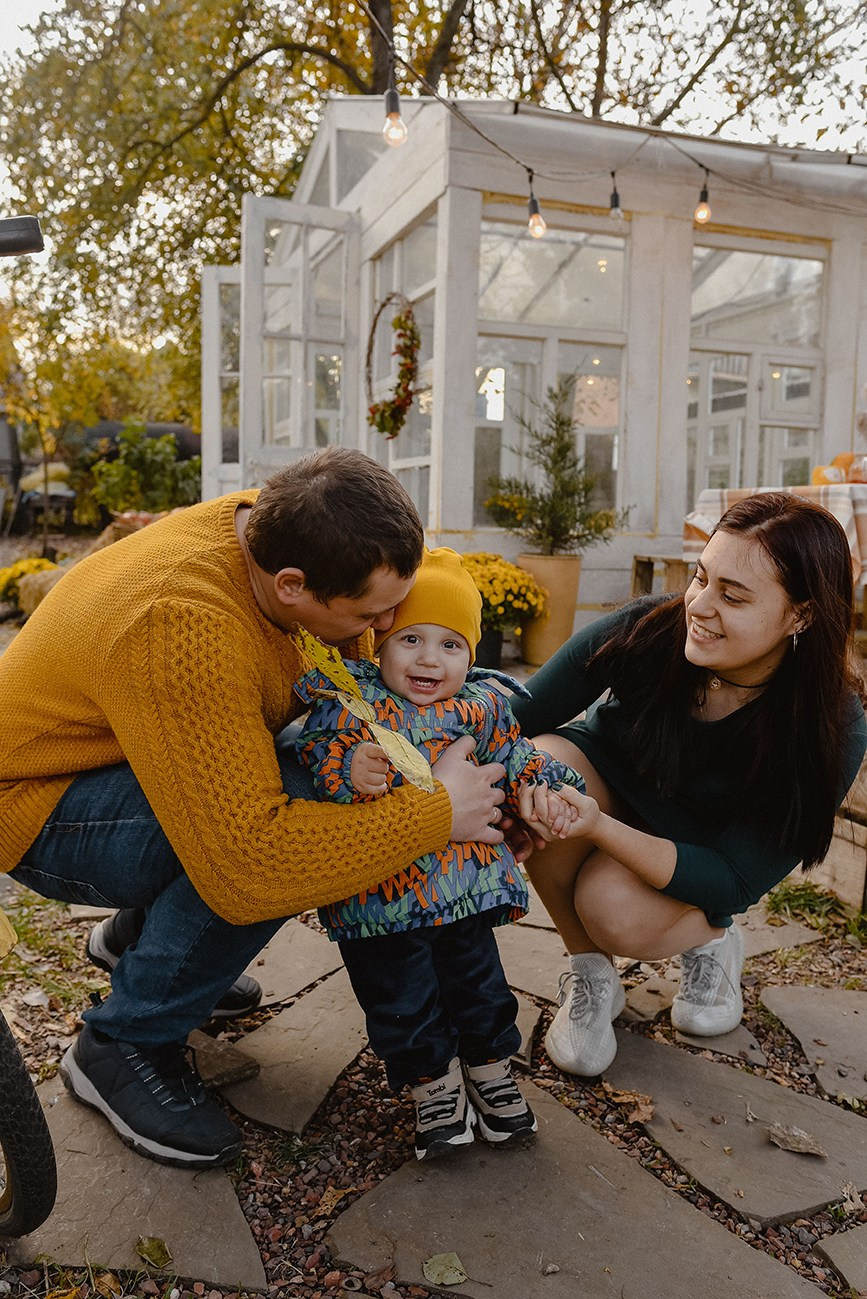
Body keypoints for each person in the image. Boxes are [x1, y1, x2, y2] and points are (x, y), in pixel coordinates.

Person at [0, 448, 510, 1167]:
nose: (389, 623)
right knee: (296, 801)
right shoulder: (182, 621)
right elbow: (251, 860)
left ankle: (140, 941)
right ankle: (124, 1043)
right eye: (370, 612)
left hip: (120, 763)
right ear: (293, 586)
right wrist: (436, 814)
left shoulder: (283, 529)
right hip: (33, 802)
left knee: (302, 768)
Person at [510, 492, 867, 1077]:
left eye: (733, 596)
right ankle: (591, 975)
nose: (699, 606)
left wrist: (598, 827)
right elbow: (518, 715)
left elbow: (733, 878)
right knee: (544, 768)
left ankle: (713, 943)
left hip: (703, 857)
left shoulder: (830, 725)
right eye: (701, 579)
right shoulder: (648, 629)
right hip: (610, 788)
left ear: (800, 615)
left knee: (613, 909)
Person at [294, 548, 584, 1159]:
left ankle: (488, 1070)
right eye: (412, 639)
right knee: (400, 998)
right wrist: (351, 765)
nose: (430, 658)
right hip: (381, 895)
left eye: (451, 644)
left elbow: (521, 758)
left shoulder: (483, 708)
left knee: (478, 983)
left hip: (463, 892)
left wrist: (555, 788)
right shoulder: (355, 703)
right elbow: (317, 755)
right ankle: (433, 1085)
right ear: (380, 642)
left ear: (472, 655)